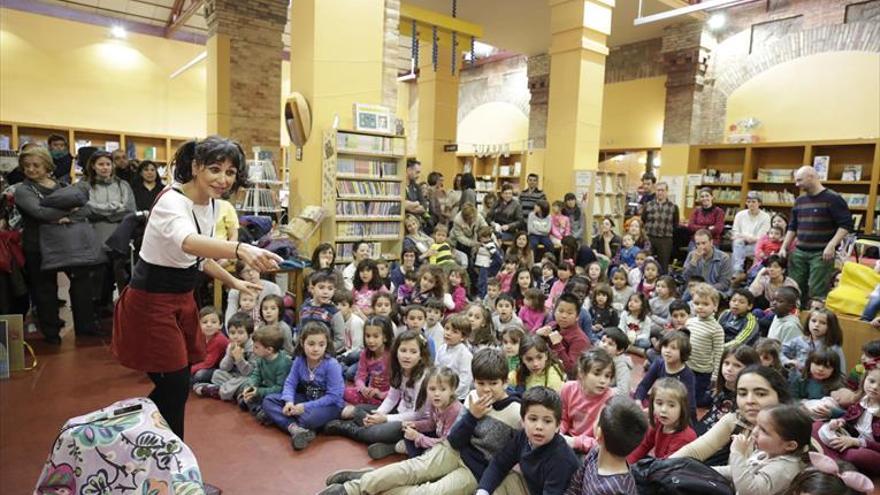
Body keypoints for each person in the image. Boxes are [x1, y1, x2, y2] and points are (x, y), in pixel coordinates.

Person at [111, 136, 282, 440]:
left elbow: (198, 256)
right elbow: (187, 241)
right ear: (195, 166)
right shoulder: (171, 201)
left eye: (230, 173)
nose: (223, 179)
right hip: (151, 302)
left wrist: (232, 280)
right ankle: (140, 440)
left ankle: (148, 444)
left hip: (180, 299)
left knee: (175, 386)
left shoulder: (213, 204)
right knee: (175, 385)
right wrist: (241, 249)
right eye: (215, 169)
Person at [321, 348, 522, 495]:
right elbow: (454, 440)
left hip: (475, 471)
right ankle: (350, 489)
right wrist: (472, 416)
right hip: (453, 450)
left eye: (493, 383)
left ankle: (371, 481)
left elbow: (510, 457)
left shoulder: (516, 412)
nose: (486, 389)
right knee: (412, 469)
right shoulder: (471, 398)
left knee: (427, 493)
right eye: (481, 383)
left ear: (505, 382)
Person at [14, 146, 100, 343]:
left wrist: (60, 213)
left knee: (82, 282)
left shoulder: (61, 185)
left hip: (69, 243)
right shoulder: (23, 190)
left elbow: (87, 211)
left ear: (47, 166)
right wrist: (69, 209)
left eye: (36, 165)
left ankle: (85, 325)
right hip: (38, 246)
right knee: (45, 288)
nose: (31, 169)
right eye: (26, 166)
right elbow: (40, 213)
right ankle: (51, 331)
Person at [672, 365, 792, 466]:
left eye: (760, 394)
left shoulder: (794, 430)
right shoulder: (735, 420)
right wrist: (661, 468)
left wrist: (701, 473)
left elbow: (754, 472)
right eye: (743, 394)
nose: (749, 400)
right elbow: (695, 451)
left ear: (780, 397)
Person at [476, 386, 580, 495]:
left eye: (547, 421)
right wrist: (483, 491)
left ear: (558, 426)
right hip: (529, 487)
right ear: (523, 421)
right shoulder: (522, 437)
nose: (539, 426)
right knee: (497, 485)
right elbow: (499, 463)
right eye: (533, 419)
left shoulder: (561, 459)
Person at [262, 322, 344, 451]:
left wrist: (304, 407)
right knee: (268, 400)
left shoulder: (332, 365)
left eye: (321, 344)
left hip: (328, 406)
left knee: (307, 418)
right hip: (307, 399)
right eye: (311, 344)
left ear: (326, 344)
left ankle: (288, 422)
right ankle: (296, 429)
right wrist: (289, 401)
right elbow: (290, 382)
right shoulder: (300, 360)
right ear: (302, 342)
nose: (316, 349)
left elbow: (334, 396)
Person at [780, 166, 853, 307]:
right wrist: (784, 246)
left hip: (821, 253)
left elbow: (846, 225)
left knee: (817, 292)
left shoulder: (833, 198)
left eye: (799, 180)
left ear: (811, 177)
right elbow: (792, 226)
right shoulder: (799, 201)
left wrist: (831, 245)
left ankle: (813, 324)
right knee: (793, 289)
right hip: (799, 251)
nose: (797, 184)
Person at [76, 150, 137, 307]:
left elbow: (130, 210)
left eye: (108, 164)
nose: (105, 168)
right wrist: (114, 209)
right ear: (93, 166)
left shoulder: (123, 185)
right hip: (95, 235)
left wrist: (101, 211)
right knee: (98, 275)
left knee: (119, 273)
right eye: (100, 164)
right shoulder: (84, 186)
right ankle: (99, 307)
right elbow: (84, 210)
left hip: (119, 234)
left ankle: (120, 307)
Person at [715, 404, 811, 495]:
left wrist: (737, 453)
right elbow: (739, 471)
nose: (755, 432)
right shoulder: (766, 451)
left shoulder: (785, 468)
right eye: (756, 425)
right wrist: (707, 470)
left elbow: (749, 491)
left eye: (764, 430)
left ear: (790, 445)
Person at [564, 395, 648, 495]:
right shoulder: (595, 452)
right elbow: (575, 484)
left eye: (596, 418)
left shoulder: (615, 489)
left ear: (599, 433)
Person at [627, 378, 696, 463]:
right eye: (659, 403)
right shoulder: (658, 423)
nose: (663, 410)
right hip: (661, 465)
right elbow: (644, 445)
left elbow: (668, 467)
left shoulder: (685, 438)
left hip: (672, 471)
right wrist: (627, 465)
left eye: (671, 405)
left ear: (682, 409)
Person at [682, 229, 733, 296]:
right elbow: (685, 278)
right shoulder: (692, 255)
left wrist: (704, 289)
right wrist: (693, 262)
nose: (701, 247)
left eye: (704, 243)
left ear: (711, 242)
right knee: (685, 297)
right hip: (694, 290)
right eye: (698, 244)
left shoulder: (724, 258)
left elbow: (724, 284)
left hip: (714, 291)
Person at [641, 181, 679, 272]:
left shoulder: (673, 207)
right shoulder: (648, 205)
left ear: (667, 192)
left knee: (663, 265)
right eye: (658, 190)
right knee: (647, 263)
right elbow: (643, 220)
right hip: (649, 238)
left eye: (662, 190)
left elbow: (675, 224)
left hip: (665, 240)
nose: (660, 192)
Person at [731, 191, 771, 273]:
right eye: (748, 202)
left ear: (759, 203)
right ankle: (738, 270)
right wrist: (745, 238)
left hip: (756, 245)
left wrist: (744, 237)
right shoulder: (740, 215)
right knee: (737, 243)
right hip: (740, 244)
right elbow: (734, 233)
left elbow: (761, 238)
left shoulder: (765, 217)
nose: (751, 204)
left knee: (737, 251)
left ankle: (737, 271)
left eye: (753, 202)